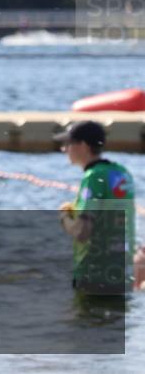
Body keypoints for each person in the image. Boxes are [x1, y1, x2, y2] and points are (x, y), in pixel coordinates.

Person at [55, 121, 137, 294]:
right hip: (122, 270)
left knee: (85, 320)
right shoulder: (121, 173)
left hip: (95, 273)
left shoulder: (93, 176)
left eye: (68, 144)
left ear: (83, 146)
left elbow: (82, 232)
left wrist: (64, 218)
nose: (64, 149)